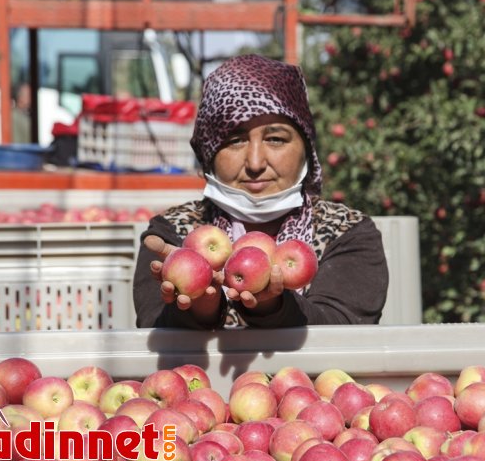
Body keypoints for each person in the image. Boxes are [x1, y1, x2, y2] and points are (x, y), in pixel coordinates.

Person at [133, 54, 388, 329]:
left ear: (306, 149)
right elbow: (152, 325)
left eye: (275, 139)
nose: (255, 163)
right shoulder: (174, 233)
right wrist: (199, 308)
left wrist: (274, 307)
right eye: (235, 140)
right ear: (209, 154)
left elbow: (343, 329)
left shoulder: (346, 231)